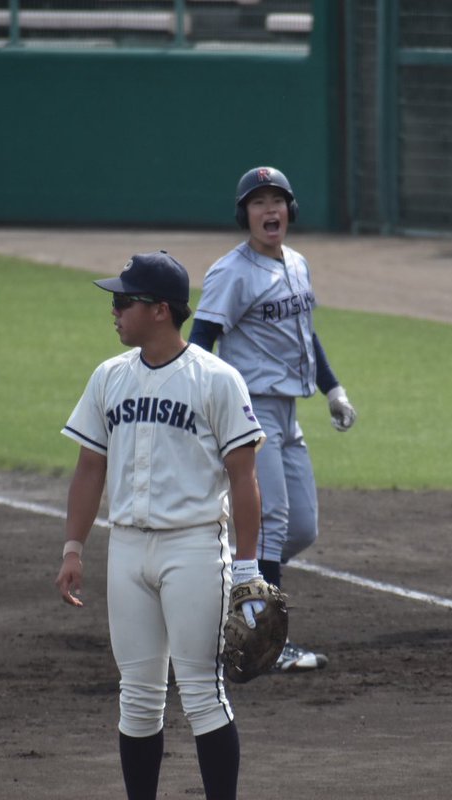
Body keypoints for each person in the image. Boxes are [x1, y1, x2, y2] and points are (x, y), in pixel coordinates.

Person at [54, 250, 266, 800]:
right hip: (125, 551)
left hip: (193, 549)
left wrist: (247, 566)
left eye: (125, 301)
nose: (115, 311)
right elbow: (88, 468)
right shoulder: (108, 377)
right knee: (138, 696)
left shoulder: (216, 379)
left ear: (160, 310)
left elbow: (244, 477)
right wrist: (73, 548)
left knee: (200, 692)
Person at [188, 165, 356, 672]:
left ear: (290, 211)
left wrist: (333, 388)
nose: (270, 210)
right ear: (245, 214)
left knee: (299, 526)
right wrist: (198, 406)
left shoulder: (297, 264)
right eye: (259, 202)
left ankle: (227, 588)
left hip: (289, 413)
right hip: (251, 409)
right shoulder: (232, 272)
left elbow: (308, 333)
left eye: (277, 201)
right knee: (272, 523)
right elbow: (200, 341)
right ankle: (264, 644)